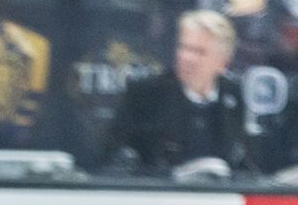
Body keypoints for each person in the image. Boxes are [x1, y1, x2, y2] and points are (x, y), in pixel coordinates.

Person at [103, 10, 250, 180]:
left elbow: (243, 161)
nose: (187, 57)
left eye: (199, 52)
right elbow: (113, 159)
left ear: (222, 63)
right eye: (184, 47)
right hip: (160, 198)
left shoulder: (233, 94)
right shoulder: (147, 93)